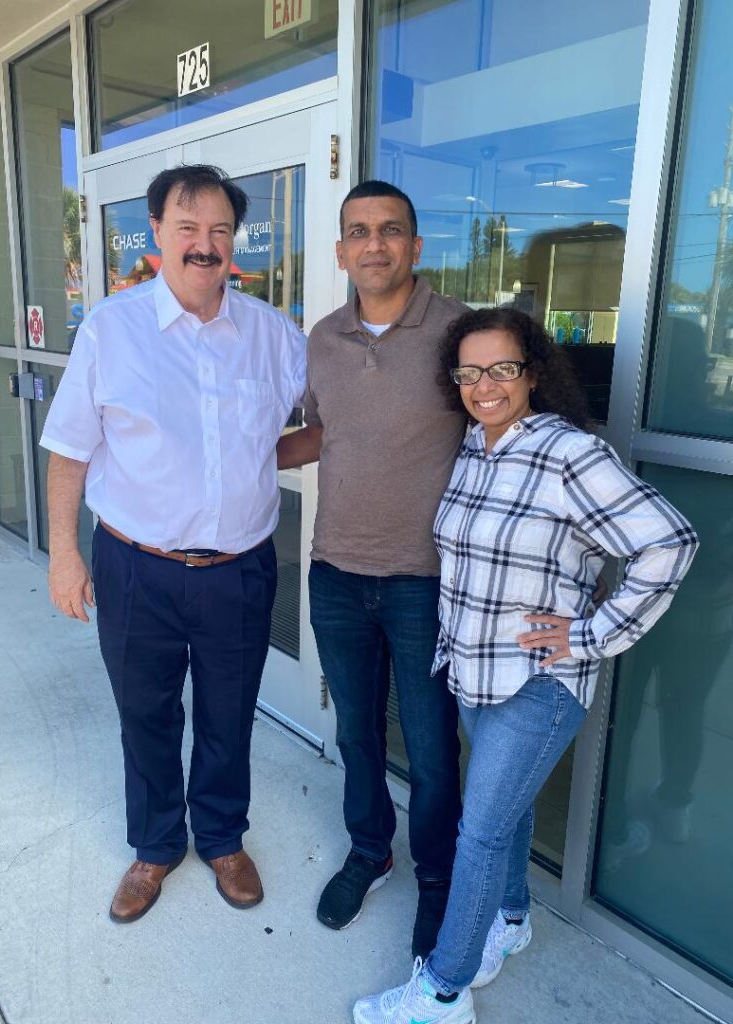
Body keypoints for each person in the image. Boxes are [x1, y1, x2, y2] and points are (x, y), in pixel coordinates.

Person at [352, 307, 698, 1024]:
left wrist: (594, 633)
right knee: (504, 815)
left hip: (539, 682)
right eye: (469, 372)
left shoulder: (568, 454)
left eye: (502, 368)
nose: (485, 385)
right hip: (476, 671)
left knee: (479, 832)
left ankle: (442, 992)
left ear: (532, 372)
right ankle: (511, 919)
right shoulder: (471, 447)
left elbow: (670, 541)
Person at [40, 164, 305, 923]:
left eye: (220, 230)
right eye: (187, 227)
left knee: (230, 713)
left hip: (239, 570)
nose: (204, 244)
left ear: (234, 241)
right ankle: (156, 845)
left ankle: (221, 838)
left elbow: (315, 423)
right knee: (146, 715)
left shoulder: (273, 335)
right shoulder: (111, 329)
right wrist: (65, 555)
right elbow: (70, 452)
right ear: (156, 232)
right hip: (135, 569)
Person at [277, 181, 465, 957]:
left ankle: (439, 877)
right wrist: (232, 463)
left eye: (390, 230)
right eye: (359, 231)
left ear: (415, 246)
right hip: (337, 573)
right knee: (355, 732)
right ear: (340, 251)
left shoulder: (458, 332)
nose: (374, 244)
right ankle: (370, 850)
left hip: (426, 580)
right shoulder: (322, 338)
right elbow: (323, 432)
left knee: (430, 746)